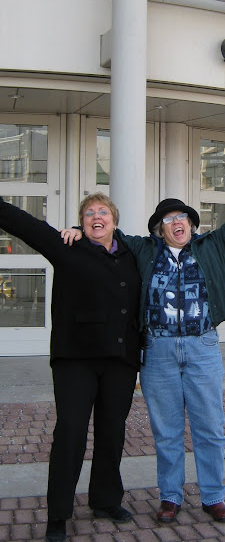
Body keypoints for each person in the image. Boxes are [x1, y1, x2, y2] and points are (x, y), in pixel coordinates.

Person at [62, 155, 225, 523]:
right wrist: (77, 228)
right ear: (158, 229)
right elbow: (104, 231)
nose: (176, 223)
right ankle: (170, 496)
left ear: (192, 224)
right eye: (168, 220)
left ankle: (213, 496)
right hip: (159, 351)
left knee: (209, 427)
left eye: (182, 217)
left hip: (202, 347)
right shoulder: (143, 250)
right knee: (166, 430)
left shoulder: (217, 245)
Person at [0, 193, 141, 542]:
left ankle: (105, 500)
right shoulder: (68, 246)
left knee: (112, 434)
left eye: (103, 211)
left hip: (120, 361)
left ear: (115, 219)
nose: (97, 216)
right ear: (80, 222)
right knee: (70, 434)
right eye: (89, 212)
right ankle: (58, 514)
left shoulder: (133, 254)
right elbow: (23, 224)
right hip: (75, 359)